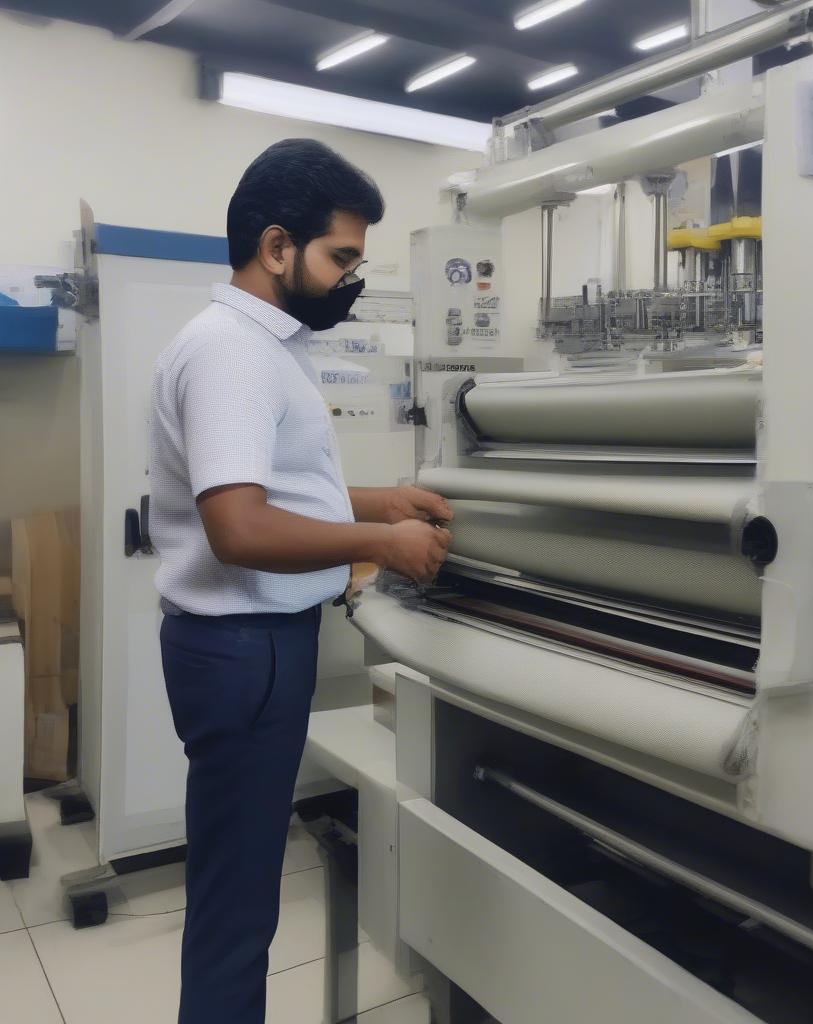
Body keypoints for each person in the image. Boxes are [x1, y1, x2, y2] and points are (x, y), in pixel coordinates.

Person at [148, 138, 451, 1024]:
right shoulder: (233, 353)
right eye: (341, 258)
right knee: (237, 912)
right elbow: (238, 527)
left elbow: (269, 488)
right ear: (277, 247)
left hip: (247, 649)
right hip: (244, 650)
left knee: (236, 895)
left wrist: (382, 497)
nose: (350, 278)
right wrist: (382, 544)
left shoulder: (258, 346)